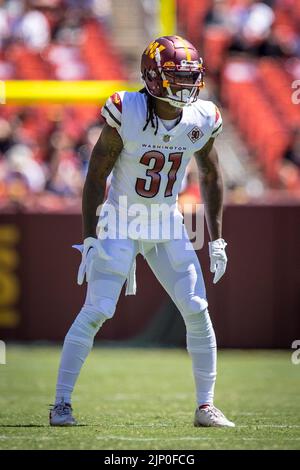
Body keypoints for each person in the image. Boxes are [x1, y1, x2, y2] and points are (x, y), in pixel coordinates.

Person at [49, 35, 235, 428]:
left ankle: (206, 405)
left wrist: (216, 236)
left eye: (190, 77)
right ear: (152, 78)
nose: (186, 86)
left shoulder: (202, 116)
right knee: (98, 309)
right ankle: (61, 403)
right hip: (121, 218)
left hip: (166, 221)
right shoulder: (127, 110)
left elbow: (212, 175)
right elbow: (96, 175)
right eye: (176, 77)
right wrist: (89, 237)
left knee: (197, 309)